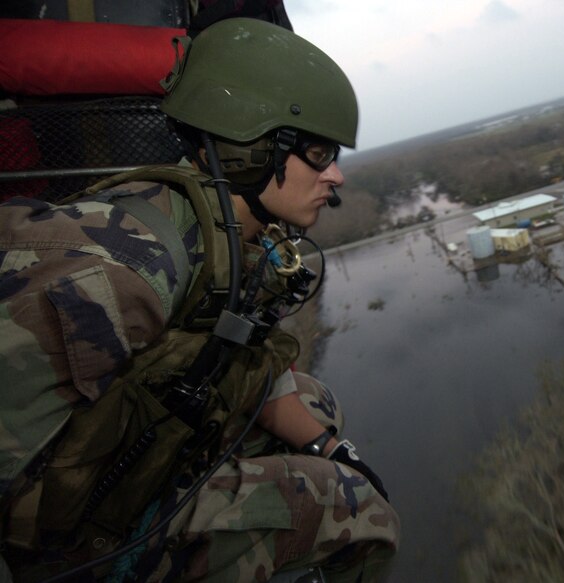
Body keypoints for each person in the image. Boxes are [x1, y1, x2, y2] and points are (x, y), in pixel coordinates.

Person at [0, 17, 399, 583]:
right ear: (250, 149)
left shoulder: (234, 235)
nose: (335, 174)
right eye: (318, 152)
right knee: (365, 515)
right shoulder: (125, 269)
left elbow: (248, 368)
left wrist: (332, 448)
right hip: (60, 538)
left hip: (114, 467)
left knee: (316, 403)